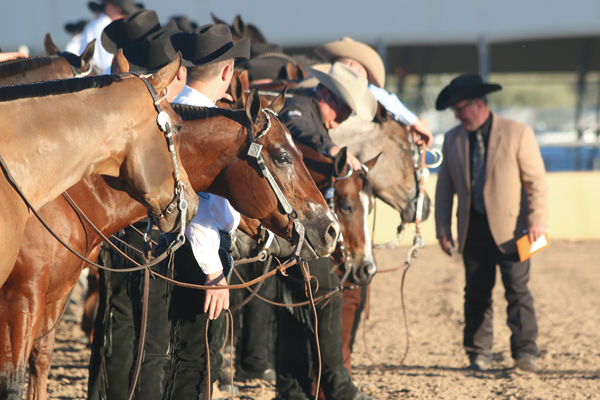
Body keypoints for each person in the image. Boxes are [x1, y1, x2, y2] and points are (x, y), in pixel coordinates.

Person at [87, 21, 185, 400]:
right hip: (130, 224)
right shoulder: (131, 100)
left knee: (119, 322)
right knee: (132, 325)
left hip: (125, 224)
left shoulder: (117, 91)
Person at [434, 73, 548, 372]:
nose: (457, 116)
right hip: (473, 230)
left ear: (478, 104)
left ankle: (525, 353)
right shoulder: (453, 139)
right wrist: (443, 229)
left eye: (460, 109)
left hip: (514, 230)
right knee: (476, 293)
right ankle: (478, 354)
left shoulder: (517, 132)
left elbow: (535, 181)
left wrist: (537, 221)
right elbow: (444, 188)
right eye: (455, 111)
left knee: (517, 290)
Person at [276, 62, 376, 400]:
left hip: (288, 224)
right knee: (327, 294)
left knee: (295, 309)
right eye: (344, 108)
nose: (346, 117)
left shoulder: (312, 111)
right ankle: (336, 384)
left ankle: (292, 389)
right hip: (285, 225)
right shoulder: (300, 107)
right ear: (325, 95)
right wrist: (333, 150)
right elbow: (298, 132)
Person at [161, 24, 250, 400]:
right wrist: (213, 270)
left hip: (188, 248)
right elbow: (198, 207)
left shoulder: (177, 109)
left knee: (189, 355)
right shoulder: (206, 121)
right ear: (228, 73)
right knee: (194, 358)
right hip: (198, 255)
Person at [315, 36, 433, 147]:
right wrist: (414, 122)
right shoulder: (359, 90)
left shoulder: (318, 90)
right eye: (364, 70)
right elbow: (381, 97)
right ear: (353, 65)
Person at [78, 0, 141, 71]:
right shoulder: (102, 28)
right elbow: (106, 65)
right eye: (122, 12)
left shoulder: (98, 26)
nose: (125, 16)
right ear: (109, 7)